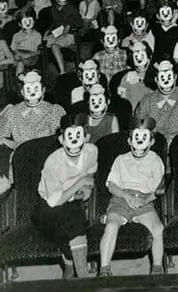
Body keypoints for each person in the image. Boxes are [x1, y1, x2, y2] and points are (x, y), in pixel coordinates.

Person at [33, 113, 97, 278]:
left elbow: (90, 175)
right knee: (75, 219)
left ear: (87, 137)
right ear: (61, 140)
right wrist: (79, 183)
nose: (74, 141)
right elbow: (54, 201)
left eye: (79, 135)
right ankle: (79, 275)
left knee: (74, 216)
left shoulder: (92, 151)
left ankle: (71, 266)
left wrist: (87, 187)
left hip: (72, 202)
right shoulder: (52, 162)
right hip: (46, 209)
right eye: (69, 136)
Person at [98, 118, 165, 276]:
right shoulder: (121, 160)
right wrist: (127, 196)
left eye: (144, 139)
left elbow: (160, 188)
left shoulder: (155, 160)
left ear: (151, 141)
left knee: (158, 229)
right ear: (129, 141)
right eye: (136, 138)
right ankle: (104, 269)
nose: (139, 143)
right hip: (121, 198)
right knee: (111, 226)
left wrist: (144, 200)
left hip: (144, 201)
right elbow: (112, 185)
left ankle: (157, 268)